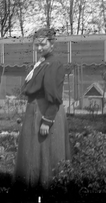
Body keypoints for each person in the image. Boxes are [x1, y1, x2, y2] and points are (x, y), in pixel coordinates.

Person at [13, 28, 71, 191]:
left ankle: (46, 188)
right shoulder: (43, 62)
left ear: (52, 44)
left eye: (43, 44)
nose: (39, 48)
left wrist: (47, 121)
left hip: (45, 112)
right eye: (36, 45)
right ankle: (34, 185)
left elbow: (54, 95)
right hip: (35, 110)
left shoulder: (54, 63)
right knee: (34, 152)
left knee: (46, 153)